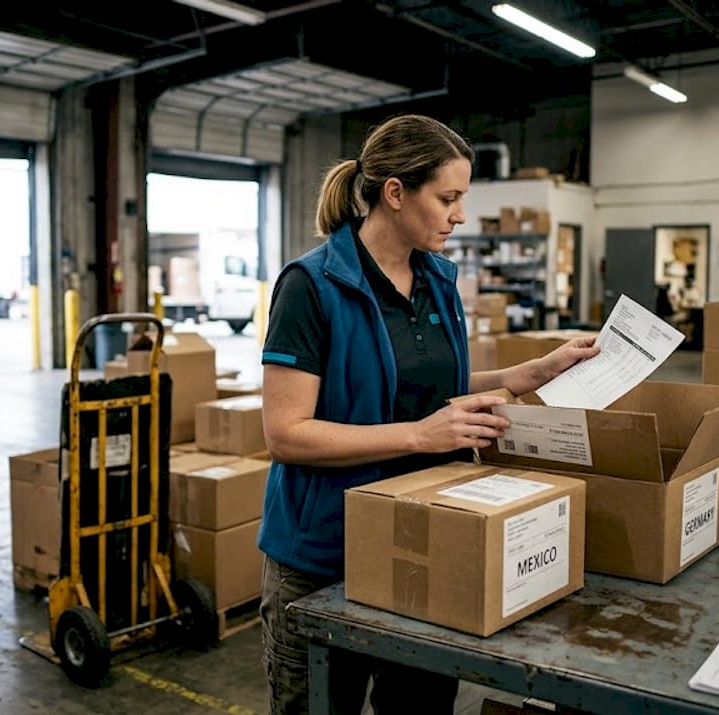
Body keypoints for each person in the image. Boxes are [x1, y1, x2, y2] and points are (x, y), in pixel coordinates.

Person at [256, 114, 599, 714]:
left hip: (426, 541)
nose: (460, 215)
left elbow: (417, 384)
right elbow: (286, 434)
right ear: (395, 193)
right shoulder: (312, 286)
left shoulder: (438, 278)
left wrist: (527, 375)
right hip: (323, 555)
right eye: (448, 198)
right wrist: (420, 435)